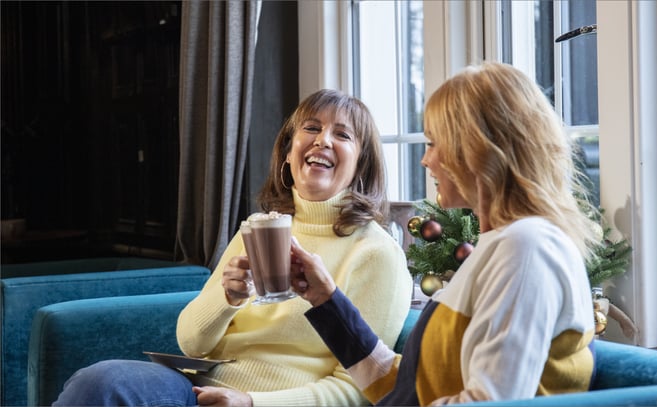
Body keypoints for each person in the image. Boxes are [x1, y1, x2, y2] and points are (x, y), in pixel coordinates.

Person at [53, 89, 413, 407]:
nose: (322, 141)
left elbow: (359, 388)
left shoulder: (376, 254)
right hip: (196, 388)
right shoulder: (259, 230)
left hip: (267, 402)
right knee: (101, 381)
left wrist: (252, 401)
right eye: (312, 128)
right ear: (288, 153)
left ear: (360, 165)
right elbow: (192, 344)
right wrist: (227, 298)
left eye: (342, 134)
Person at [289, 62, 601, 406]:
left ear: (477, 151)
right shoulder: (503, 244)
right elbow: (410, 388)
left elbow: (490, 402)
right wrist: (325, 299)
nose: (426, 160)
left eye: (434, 143)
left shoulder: (527, 247)